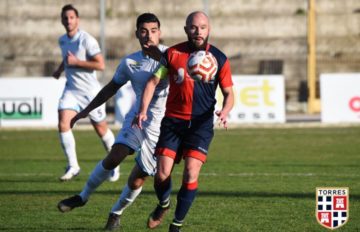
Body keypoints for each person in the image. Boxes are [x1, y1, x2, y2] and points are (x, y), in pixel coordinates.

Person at [57, 13, 168, 231]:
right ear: (137, 33)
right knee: (115, 155)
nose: (149, 36)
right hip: (137, 120)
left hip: (163, 127)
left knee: (138, 180)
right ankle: (82, 197)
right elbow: (110, 88)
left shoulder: (170, 56)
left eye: (153, 31)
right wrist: (84, 111)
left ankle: (115, 214)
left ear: (160, 33)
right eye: (144, 31)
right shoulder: (130, 62)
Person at [136, 11, 234, 232]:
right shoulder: (171, 54)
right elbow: (153, 82)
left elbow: (229, 94)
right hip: (173, 121)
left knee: (191, 172)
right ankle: (163, 204)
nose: (198, 32)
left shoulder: (219, 58)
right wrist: (142, 110)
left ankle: (176, 225)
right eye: (193, 27)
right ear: (186, 29)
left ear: (209, 29)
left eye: (202, 28)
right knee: (161, 174)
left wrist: (225, 112)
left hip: (200, 125)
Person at [52, 4, 117, 181]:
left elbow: (100, 65)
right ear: (62, 20)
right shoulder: (62, 40)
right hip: (72, 90)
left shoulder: (86, 40)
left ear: (77, 20)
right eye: (65, 18)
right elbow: (67, 59)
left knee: (101, 129)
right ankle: (73, 165)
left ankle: (114, 164)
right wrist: (59, 70)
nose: (68, 21)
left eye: (71, 17)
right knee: (63, 123)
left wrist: (77, 62)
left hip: (90, 93)